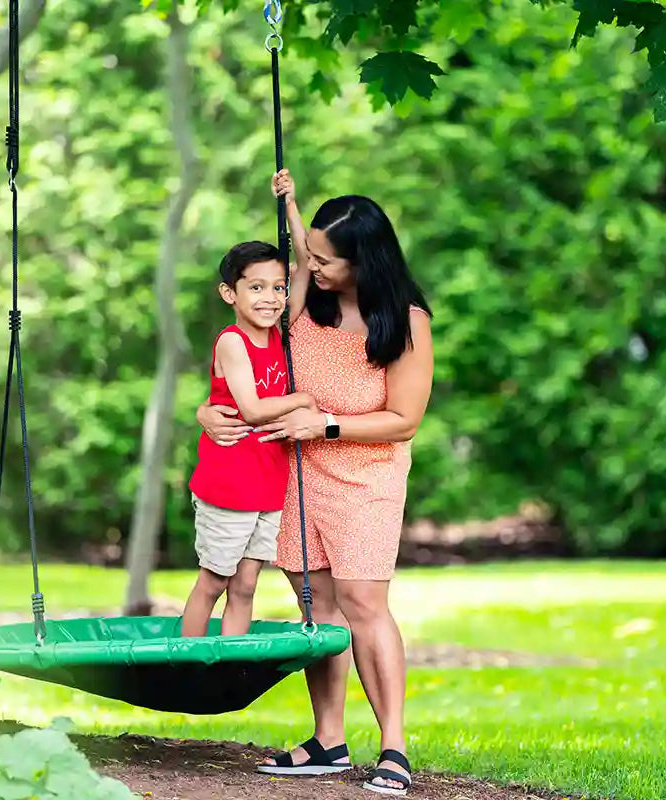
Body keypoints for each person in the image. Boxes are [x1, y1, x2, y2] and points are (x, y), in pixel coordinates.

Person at [195, 170, 434, 796]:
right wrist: (207, 411)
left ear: (364, 261)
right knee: (316, 608)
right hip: (292, 474)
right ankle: (329, 739)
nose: (314, 265)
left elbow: (404, 421)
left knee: (363, 605)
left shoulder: (403, 321)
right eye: (314, 254)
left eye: (327, 259)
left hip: (365, 476)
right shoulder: (306, 304)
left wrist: (322, 424)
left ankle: (394, 746)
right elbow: (245, 365)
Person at [181, 240, 318, 639]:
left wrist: (289, 204)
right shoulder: (233, 342)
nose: (270, 298)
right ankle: (189, 666)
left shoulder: (279, 335)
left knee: (245, 586)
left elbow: (305, 265)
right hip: (229, 485)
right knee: (214, 582)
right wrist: (303, 399)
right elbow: (253, 409)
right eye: (256, 287)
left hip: (267, 485)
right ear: (230, 293)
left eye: (278, 288)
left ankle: (228, 665)